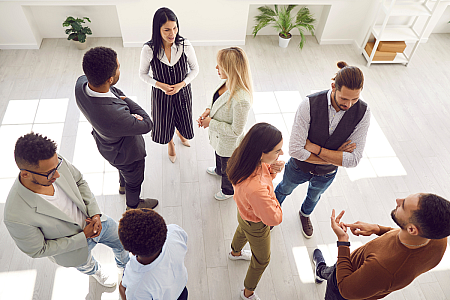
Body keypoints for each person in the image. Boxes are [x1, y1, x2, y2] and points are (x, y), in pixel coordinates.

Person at [3, 133, 130, 288]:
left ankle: (125, 267)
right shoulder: (14, 215)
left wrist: (95, 213)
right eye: (50, 173)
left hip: (97, 221)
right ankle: (95, 272)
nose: (57, 174)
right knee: (87, 265)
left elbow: (79, 180)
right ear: (25, 174)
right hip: (72, 249)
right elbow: (39, 250)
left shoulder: (53, 163)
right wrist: (84, 236)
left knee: (122, 242)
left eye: (57, 166)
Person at [274, 61, 371, 238]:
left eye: (355, 99)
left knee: (313, 197)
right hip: (298, 167)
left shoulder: (363, 112)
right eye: (344, 98)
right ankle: (271, 215)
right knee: (283, 189)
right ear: (333, 87)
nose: (349, 105)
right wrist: (336, 155)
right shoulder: (308, 104)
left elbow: (354, 160)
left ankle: (304, 215)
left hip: (327, 173)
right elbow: (295, 150)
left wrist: (315, 148)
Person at [312, 193, 450, 300]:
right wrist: (378, 229)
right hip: (353, 265)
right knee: (333, 270)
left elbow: (346, 290)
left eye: (403, 205)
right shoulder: (437, 237)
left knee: (335, 277)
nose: (398, 200)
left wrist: (343, 241)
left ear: (412, 229)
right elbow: (404, 236)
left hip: (345, 285)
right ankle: (321, 272)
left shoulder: (383, 268)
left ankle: (321, 272)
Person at [75, 46, 158, 210]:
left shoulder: (81, 84)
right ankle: (133, 206)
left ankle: (122, 186)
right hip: (128, 155)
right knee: (134, 182)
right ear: (110, 79)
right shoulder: (115, 117)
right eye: (118, 67)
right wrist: (126, 99)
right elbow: (147, 123)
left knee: (123, 171)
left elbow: (113, 92)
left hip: (107, 146)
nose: (120, 68)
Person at [226, 123, 285, 300]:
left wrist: (271, 170)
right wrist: (274, 198)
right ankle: (248, 293)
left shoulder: (241, 157)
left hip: (243, 211)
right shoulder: (257, 189)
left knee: (242, 228)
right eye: (277, 150)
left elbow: (260, 176)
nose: (281, 154)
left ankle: (234, 253)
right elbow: (274, 219)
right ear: (261, 153)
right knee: (262, 260)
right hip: (257, 224)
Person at [139, 7, 199, 163]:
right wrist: (160, 85)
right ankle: (170, 143)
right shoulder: (149, 49)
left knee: (183, 117)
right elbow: (142, 74)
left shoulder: (184, 44)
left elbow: (195, 69)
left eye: (175, 28)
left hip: (183, 91)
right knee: (164, 121)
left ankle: (180, 133)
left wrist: (182, 84)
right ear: (157, 29)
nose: (172, 33)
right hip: (161, 94)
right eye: (167, 30)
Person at [197, 47, 253, 200]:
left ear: (230, 68)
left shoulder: (241, 100)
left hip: (229, 143)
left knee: (228, 168)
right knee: (218, 155)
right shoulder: (226, 82)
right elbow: (216, 100)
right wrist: (208, 110)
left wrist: (211, 123)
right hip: (220, 138)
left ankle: (228, 191)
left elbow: (236, 131)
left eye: (219, 65)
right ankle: (217, 169)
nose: (216, 68)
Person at [118, 208, 188, 300]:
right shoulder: (174, 232)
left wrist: (122, 289)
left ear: (132, 252)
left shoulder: (137, 285)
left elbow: (128, 294)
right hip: (181, 290)